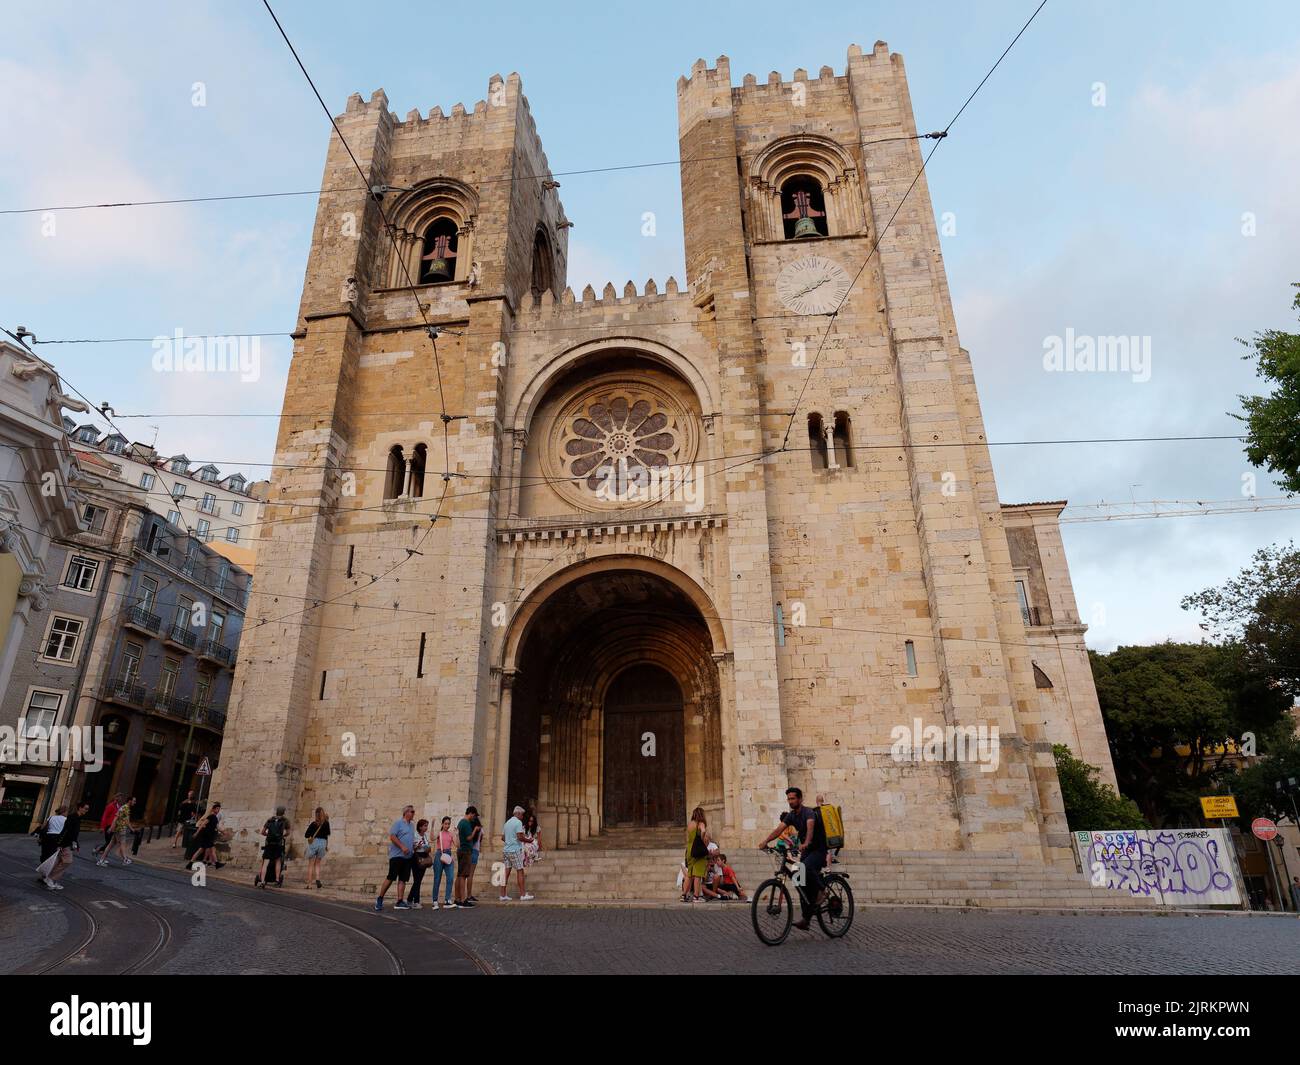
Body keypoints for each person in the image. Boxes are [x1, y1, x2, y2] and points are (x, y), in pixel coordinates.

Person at [758, 786, 827, 931]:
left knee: (805, 867)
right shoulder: (791, 816)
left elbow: (810, 828)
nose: (791, 801)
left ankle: (822, 890)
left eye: (793, 798)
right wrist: (766, 841)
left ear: (800, 799)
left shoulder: (808, 813)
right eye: (789, 799)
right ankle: (806, 919)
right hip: (807, 851)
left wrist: (807, 842)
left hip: (819, 849)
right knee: (800, 882)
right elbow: (779, 830)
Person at [375, 804, 416, 912]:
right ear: (406, 813)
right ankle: (380, 898)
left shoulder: (412, 825)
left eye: (413, 812)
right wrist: (402, 846)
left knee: (403, 879)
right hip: (397, 856)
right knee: (391, 877)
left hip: (408, 857)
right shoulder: (398, 823)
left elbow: (410, 839)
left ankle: (400, 901)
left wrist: (414, 846)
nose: (413, 813)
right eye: (412, 812)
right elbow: (392, 836)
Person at [42, 802, 90, 889]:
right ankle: (50, 878)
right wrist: (61, 844)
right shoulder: (72, 817)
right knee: (67, 861)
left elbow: (74, 834)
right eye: (86, 808)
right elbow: (65, 831)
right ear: (80, 808)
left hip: (67, 843)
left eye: (87, 809)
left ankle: (49, 878)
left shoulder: (78, 818)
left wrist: (76, 843)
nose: (87, 811)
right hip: (65, 843)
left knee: (58, 861)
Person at [499, 805, 533, 902]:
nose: (522, 817)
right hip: (515, 850)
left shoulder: (507, 822)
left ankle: (503, 895)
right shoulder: (518, 822)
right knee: (520, 871)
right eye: (522, 815)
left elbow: (502, 838)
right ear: (518, 814)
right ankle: (523, 895)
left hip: (506, 850)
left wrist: (510, 840)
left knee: (506, 872)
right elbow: (520, 837)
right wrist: (529, 841)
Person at [256, 805, 289, 888]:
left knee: (265, 862)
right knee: (278, 861)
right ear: (283, 812)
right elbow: (287, 833)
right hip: (278, 844)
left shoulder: (270, 820)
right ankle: (277, 880)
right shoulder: (285, 821)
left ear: (276, 812)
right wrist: (281, 836)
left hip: (269, 843)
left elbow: (263, 832)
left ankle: (262, 881)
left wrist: (268, 834)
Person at [682, 806, 710, 902]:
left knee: (689, 874)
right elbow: (703, 831)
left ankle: (684, 895)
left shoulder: (690, 824)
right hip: (698, 849)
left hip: (689, 850)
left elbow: (687, 838)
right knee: (697, 874)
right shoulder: (700, 823)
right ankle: (696, 896)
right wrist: (702, 839)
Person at [98, 797, 136, 867]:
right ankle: (125, 859)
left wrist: (112, 827)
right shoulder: (126, 808)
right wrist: (132, 829)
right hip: (120, 829)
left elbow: (116, 817)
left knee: (110, 845)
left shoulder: (122, 807)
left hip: (117, 829)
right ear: (130, 801)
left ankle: (101, 860)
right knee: (122, 844)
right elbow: (126, 821)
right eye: (134, 801)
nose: (135, 802)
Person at [453, 806, 479, 907]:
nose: (474, 818)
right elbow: (469, 837)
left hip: (461, 850)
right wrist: (475, 830)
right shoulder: (466, 823)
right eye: (474, 815)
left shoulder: (460, 822)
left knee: (459, 875)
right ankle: (463, 900)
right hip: (465, 851)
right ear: (471, 813)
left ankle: (457, 898)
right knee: (463, 875)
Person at [432, 815, 456, 909]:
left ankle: (447, 900)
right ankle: (435, 901)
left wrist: (456, 834)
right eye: (445, 824)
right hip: (439, 854)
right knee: (437, 878)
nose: (447, 825)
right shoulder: (440, 833)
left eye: (448, 824)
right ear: (442, 824)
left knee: (450, 877)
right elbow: (432, 838)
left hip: (448, 854)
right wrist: (433, 826)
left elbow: (457, 844)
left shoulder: (450, 834)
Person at [188, 802, 222, 868]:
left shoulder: (215, 818)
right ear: (213, 809)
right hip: (206, 836)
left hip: (209, 836)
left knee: (210, 850)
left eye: (219, 809)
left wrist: (224, 832)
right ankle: (190, 863)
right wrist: (196, 833)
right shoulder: (210, 816)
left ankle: (217, 864)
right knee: (203, 850)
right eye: (217, 809)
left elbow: (217, 827)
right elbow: (202, 824)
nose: (218, 810)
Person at [408, 819, 433, 908]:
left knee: (418, 880)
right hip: (416, 857)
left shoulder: (425, 836)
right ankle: (416, 901)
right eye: (425, 826)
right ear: (420, 826)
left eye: (427, 826)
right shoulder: (415, 835)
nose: (426, 828)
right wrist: (417, 846)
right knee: (417, 880)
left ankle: (410, 900)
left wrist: (428, 848)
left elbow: (427, 846)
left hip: (424, 857)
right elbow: (411, 847)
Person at [304, 807, 329, 889]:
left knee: (311, 864)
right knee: (318, 863)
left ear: (316, 814)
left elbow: (306, 835)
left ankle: (309, 884)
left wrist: (312, 835)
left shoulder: (313, 824)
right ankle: (317, 879)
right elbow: (327, 835)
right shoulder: (326, 823)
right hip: (323, 844)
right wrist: (326, 846)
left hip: (314, 843)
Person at [94, 793, 123, 858]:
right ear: (116, 798)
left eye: (121, 797)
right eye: (120, 797)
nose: (121, 799)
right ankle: (99, 850)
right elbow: (105, 816)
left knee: (110, 843)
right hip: (109, 826)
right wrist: (102, 827)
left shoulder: (119, 807)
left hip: (114, 827)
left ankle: (101, 853)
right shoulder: (110, 806)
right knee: (109, 843)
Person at [466, 808, 484, 902]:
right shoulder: (480, 829)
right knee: (471, 875)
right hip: (475, 851)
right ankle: (469, 895)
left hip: (469, 850)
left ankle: (468, 895)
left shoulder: (470, 827)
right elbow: (480, 840)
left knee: (467, 874)